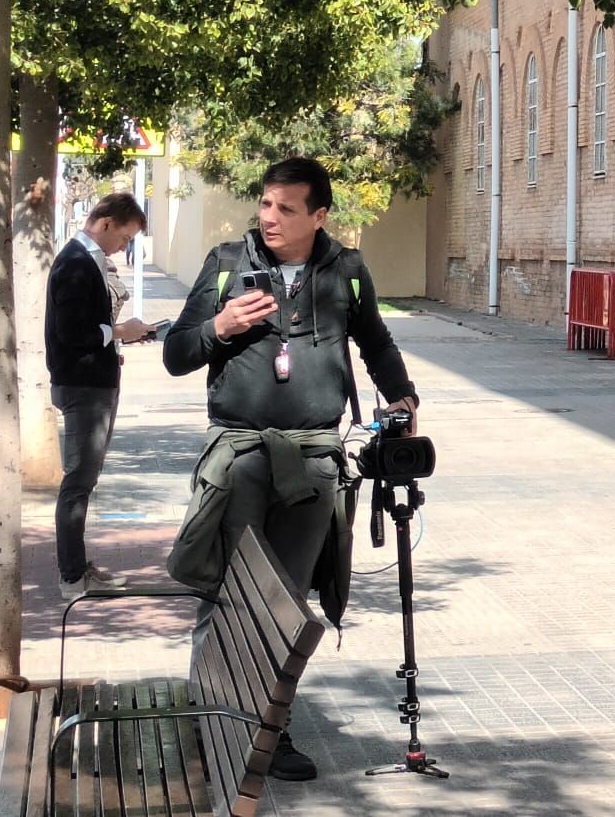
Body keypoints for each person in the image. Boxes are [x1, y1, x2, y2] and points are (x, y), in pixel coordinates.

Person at [161, 157, 419, 781]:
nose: (269, 217)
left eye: (286, 208)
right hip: (239, 459)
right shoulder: (226, 264)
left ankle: (271, 733)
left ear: (319, 215)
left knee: (287, 603)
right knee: (224, 595)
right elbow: (176, 354)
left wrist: (403, 396)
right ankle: (212, 724)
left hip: (313, 461)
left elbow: (376, 341)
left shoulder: (346, 272)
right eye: (265, 204)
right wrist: (219, 327)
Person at [47, 192, 152, 600]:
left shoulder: (85, 259)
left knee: (84, 482)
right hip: (83, 386)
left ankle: (78, 569)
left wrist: (118, 337)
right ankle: (72, 577)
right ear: (106, 223)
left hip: (96, 381)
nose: (123, 248)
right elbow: (71, 334)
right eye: (124, 239)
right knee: (78, 482)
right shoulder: (75, 261)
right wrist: (118, 332)